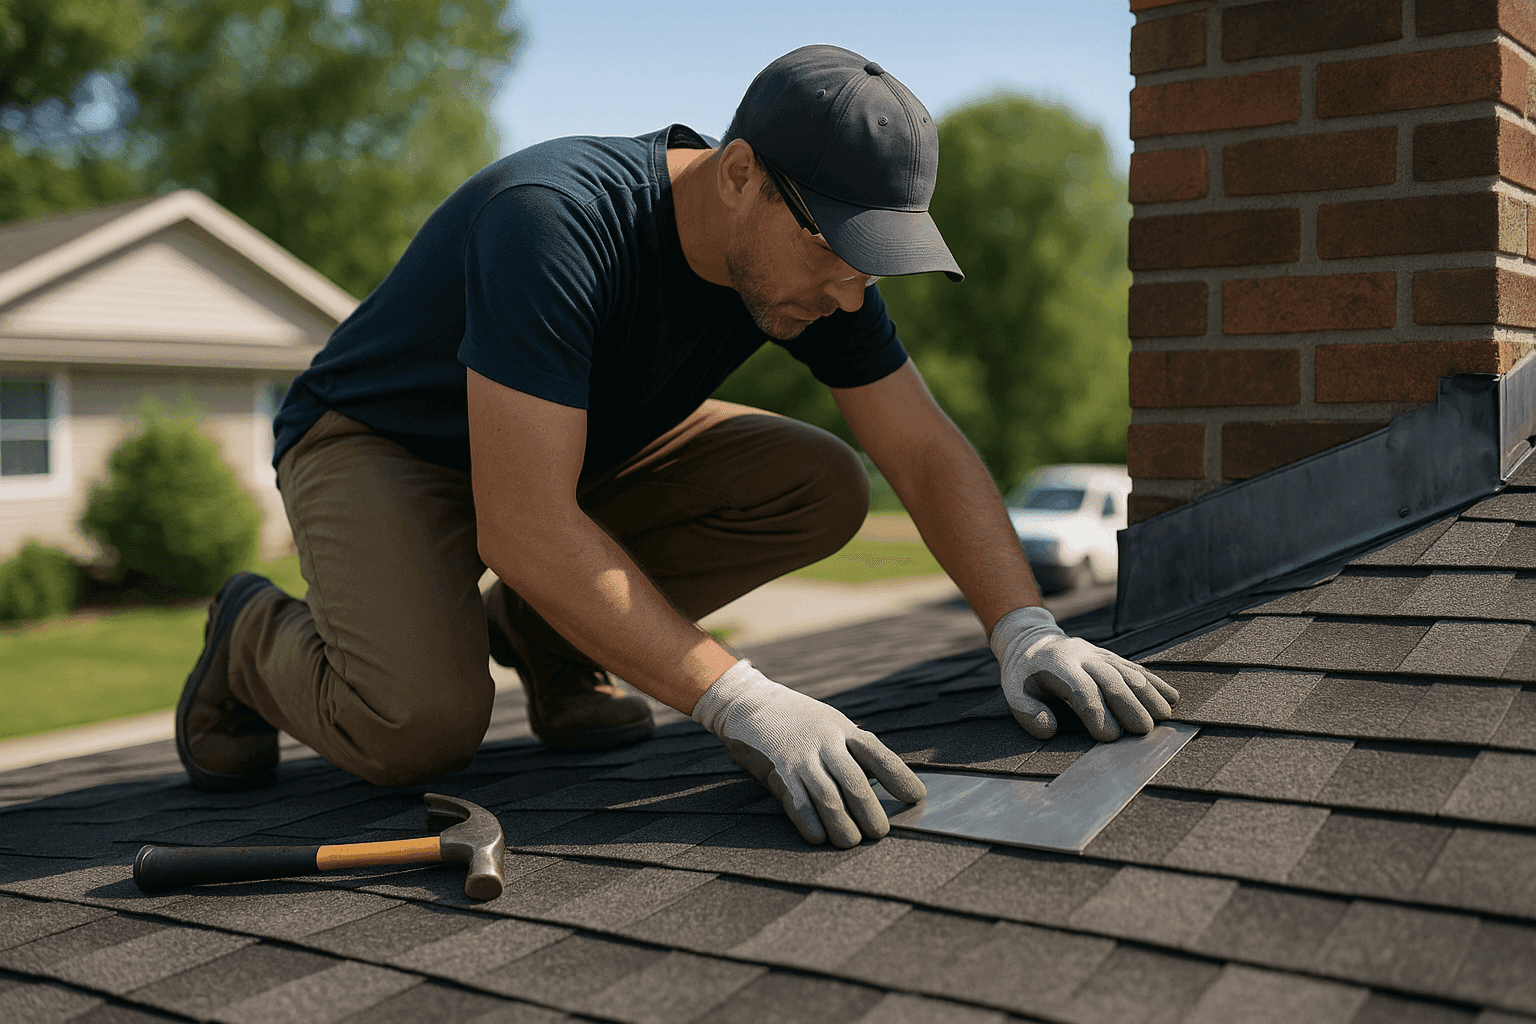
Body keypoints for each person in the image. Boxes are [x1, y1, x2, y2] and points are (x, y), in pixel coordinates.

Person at [176, 44, 1179, 849]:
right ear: (739, 175)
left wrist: (1025, 629)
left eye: (874, 265)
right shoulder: (556, 222)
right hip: (384, 444)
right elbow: (524, 524)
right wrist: (738, 699)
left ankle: (553, 639)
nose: (851, 291)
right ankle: (248, 633)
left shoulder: (811, 264)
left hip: (567, 441)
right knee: (423, 728)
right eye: (841, 252)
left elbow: (920, 448)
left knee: (820, 481)